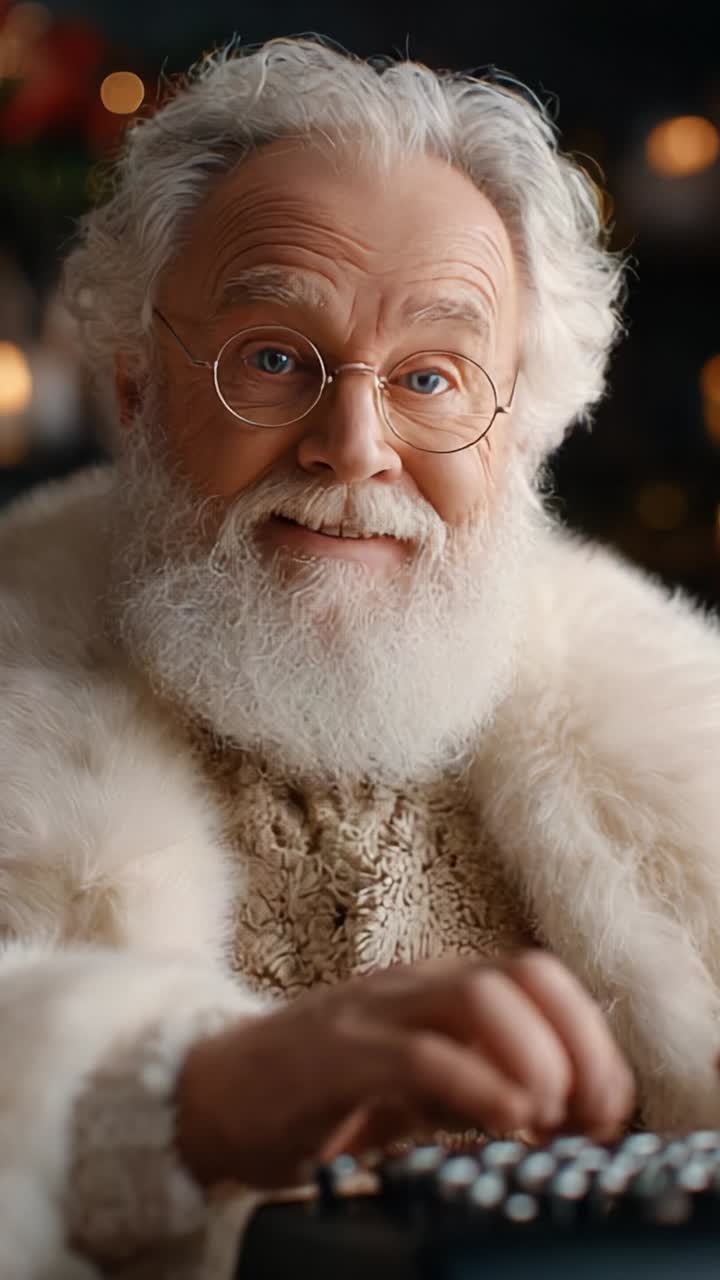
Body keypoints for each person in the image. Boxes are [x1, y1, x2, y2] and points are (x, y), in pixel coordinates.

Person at [1, 33, 719, 1280]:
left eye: (433, 375)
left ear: (523, 429)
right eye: (273, 357)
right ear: (133, 388)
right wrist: (176, 1095)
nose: (355, 442)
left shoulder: (689, 732)